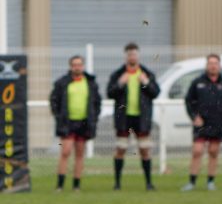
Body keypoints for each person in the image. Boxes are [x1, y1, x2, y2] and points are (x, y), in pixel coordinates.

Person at [107, 42, 160, 191]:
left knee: (144, 150)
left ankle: (149, 183)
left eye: (134, 54)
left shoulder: (147, 74)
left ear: (138, 55)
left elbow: (155, 93)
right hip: (124, 119)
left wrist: (146, 83)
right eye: (129, 54)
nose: (132, 56)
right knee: (121, 149)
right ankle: (117, 183)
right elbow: (110, 93)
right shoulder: (118, 75)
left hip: (142, 119)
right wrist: (120, 84)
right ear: (126, 56)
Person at [182, 54, 222, 191]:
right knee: (197, 151)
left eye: (215, 63)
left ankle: (210, 182)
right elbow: (188, 101)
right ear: (206, 65)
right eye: (210, 63)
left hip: (217, 124)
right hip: (201, 124)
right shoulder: (197, 82)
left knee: (213, 152)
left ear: (219, 66)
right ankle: (192, 182)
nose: (213, 65)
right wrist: (194, 117)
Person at [50, 55, 101, 192]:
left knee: (79, 153)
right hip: (68, 122)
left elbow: (97, 102)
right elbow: (54, 100)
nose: (77, 67)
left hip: (84, 122)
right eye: (74, 65)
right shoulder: (63, 83)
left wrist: (93, 117)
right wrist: (58, 116)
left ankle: (76, 185)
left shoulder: (90, 83)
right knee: (65, 151)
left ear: (83, 66)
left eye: (79, 64)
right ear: (70, 66)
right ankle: (60, 184)